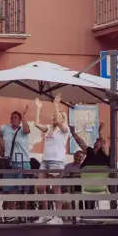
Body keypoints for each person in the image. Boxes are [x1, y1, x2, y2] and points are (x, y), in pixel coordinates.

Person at [33, 94, 70, 225]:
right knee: (41, 187)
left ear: (62, 119)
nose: (55, 117)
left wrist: (56, 105)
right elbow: (37, 124)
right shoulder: (49, 129)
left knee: (56, 188)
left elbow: (60, 123)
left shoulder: (65, 130)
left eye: (58, 115)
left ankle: (58, 217)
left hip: (56, 161)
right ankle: (45, 214)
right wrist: (38, 108)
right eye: (54, 115)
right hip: (45, 161)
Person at [0, 105, 31, 213]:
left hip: (23, 162)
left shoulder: (23, 130)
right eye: (12, 117)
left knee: (23, 189)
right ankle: (13, 212)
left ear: (20, 120)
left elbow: (27, 129)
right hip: (10, 162)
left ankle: (24, 213)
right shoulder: (5, 128)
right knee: (10, 189)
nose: (13, 119)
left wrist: (24, 115)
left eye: (16, 117)